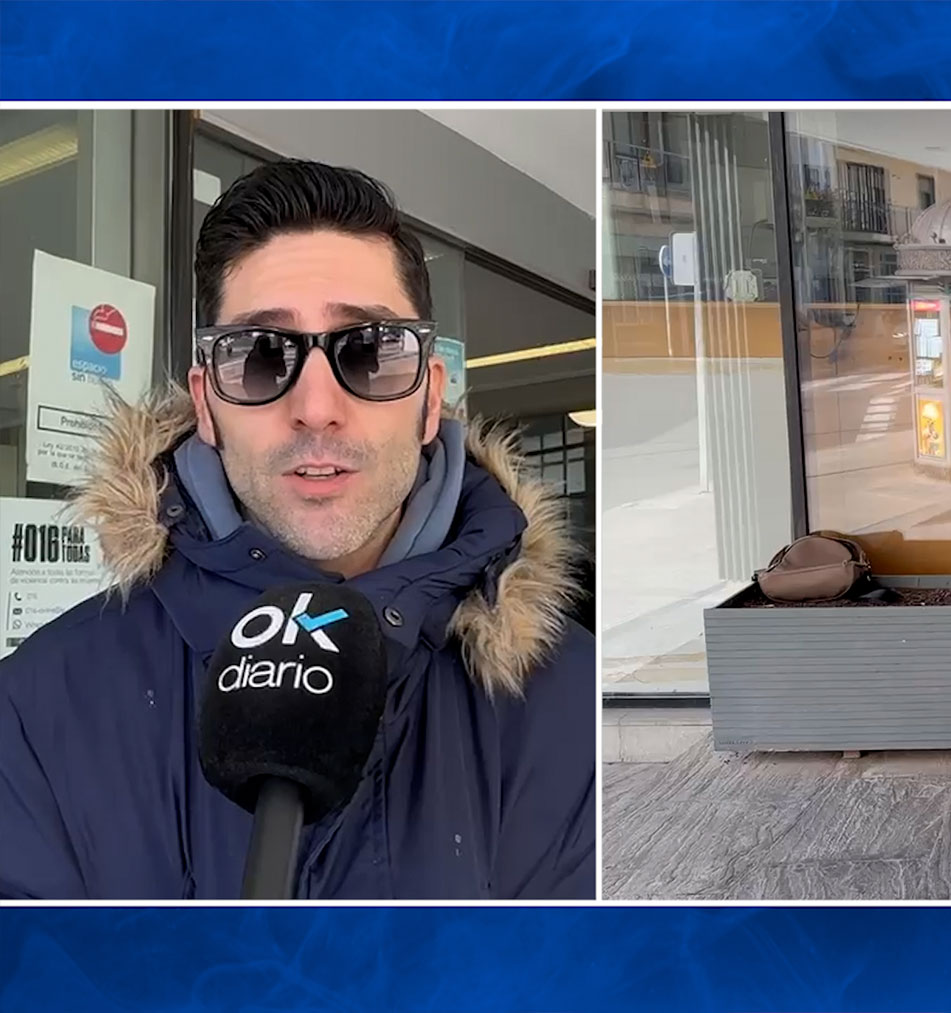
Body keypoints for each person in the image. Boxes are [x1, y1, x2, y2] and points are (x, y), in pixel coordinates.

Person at [0, 160, 595, 899]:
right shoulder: (36, 711)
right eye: (259, 354)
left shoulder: (574, 704)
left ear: (432, 395)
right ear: (208, 403)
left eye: (370, 350)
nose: (317, 406)